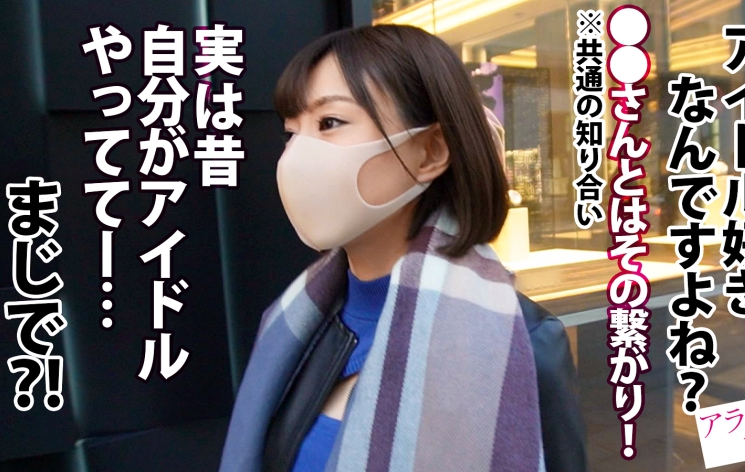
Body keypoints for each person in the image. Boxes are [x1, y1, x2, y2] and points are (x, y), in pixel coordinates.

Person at [219, 24, 546, 472]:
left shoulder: (518, 340)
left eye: (329, 122)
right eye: (291, 132)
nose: (296, 156)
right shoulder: (294, 321)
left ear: (430, 151)